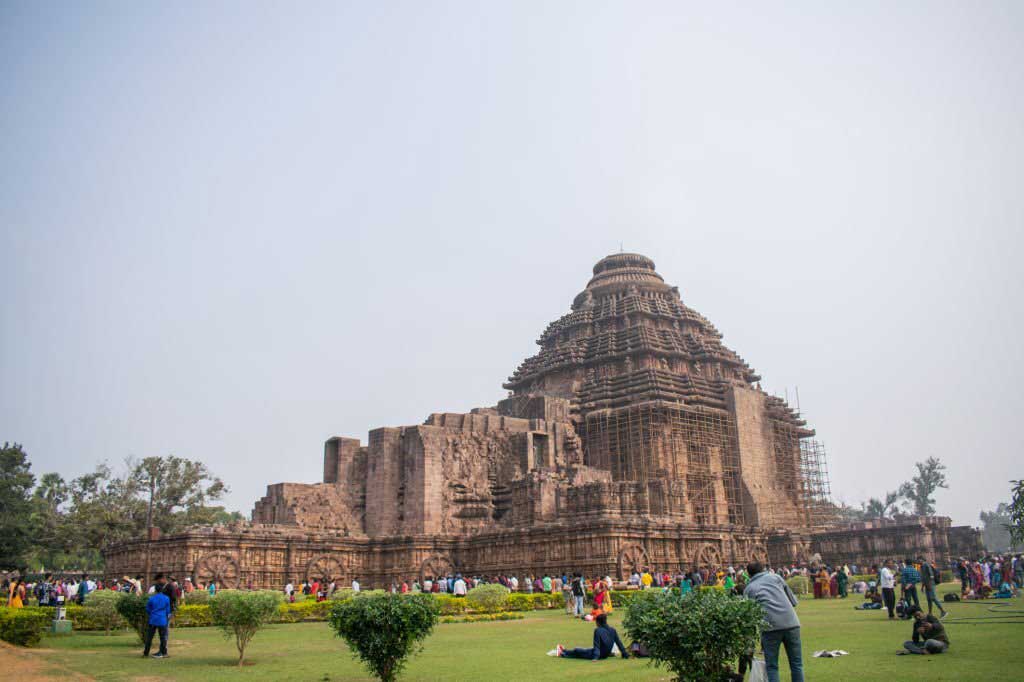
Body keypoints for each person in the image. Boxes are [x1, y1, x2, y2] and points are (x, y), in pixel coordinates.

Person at [743, 561, 804, 682]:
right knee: (796, 664)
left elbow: (749, 615)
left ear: (749, 574)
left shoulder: (749, 589)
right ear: (763, 569)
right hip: (791, 623)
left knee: (772, 666)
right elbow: (793, 601)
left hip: (770, 627)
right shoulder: (776, 577)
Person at [554, 613, 630, 661]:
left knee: (577, 651)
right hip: (605, 654)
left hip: (598, 654)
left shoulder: (598, 630)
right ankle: (564, 650)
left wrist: (595, 657)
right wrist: (625, 654)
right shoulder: (613, 630)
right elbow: (619, 643)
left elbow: (596, 645)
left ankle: (562, 653)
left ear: (598, 622)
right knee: (581, 650)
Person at [143, 583, 172, 659]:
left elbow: (148, 609)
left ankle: (146, 653)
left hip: (153, 619)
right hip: (162, 619)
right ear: (162, 589)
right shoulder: (166, 598)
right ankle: (164, 653)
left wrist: (152, 613)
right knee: (163, 637)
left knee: (149, 637)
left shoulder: (151, 598)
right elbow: (168, 610)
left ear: (155, 590)